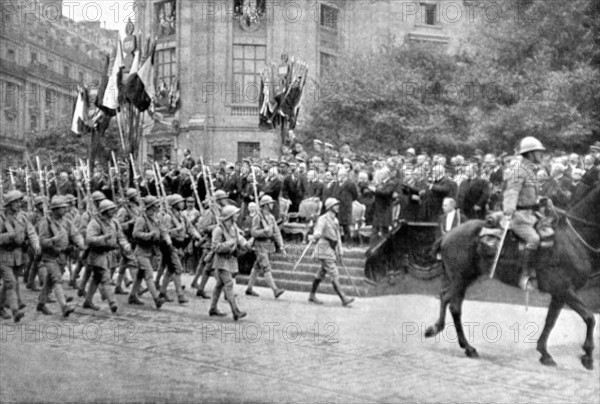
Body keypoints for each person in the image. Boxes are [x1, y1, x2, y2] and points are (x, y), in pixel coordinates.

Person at [503, 136, 546, 290]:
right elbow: (512, 191)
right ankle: (524, 276)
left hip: (532, 215)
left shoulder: (530, 170)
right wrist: (509, 208)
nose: (542, 155)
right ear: (530, 154)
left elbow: (529, 194)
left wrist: (540, 199)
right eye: (539, 152)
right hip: (520, 217)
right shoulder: (518, 170)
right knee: (533, 239)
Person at [36, 196, 84, 317]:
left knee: (49, 282)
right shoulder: (45, 222)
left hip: (63, 256)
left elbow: (75, 234)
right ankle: (64, 307)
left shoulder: (66, 221)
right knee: (57, 279)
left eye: (65, 207)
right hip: (50, 256)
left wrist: (80, 243)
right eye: (62, 208)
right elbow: (42, 241)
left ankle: (41, 304)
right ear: (55, 209)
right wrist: (53, 239)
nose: (65, 209)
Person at [84, 199, 132, 313]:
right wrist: (103, 238)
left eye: (113, 209)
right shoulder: (94, 223)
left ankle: (87, 301)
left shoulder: (114, 222)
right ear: (104, 211)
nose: (113, 211)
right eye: (110, 209)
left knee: (96, 279)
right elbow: (89, 240)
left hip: (108, 254)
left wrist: (125, 245)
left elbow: (120, 236)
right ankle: (112, 303)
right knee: (105, 279)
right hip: (97, 255)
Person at [0, 191, 40, 322]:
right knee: (11, 282)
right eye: (15, 202)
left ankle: (0, 306)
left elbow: (31, 231)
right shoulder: (1, 218)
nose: (18, 204)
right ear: (9, 204)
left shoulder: (23, 216)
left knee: (8, 283)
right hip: (3, 255)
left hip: (18, 256)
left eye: (19, 201)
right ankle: (15, 311)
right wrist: (8, 236)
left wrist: (35, 243)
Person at [308, 198, 355, 307]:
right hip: (324, 246)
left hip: (332, 246)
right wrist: (315, 235)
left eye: (338, 204)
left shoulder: (335, 220)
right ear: (329, 207)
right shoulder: (323, 219)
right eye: (335, 205)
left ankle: (312, 295)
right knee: (333, 272)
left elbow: (338, 237)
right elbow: (318, 231)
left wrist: (340, 250)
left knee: (322, 272)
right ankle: (343, 298)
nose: (338, 206)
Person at [210, 205, 251, 321]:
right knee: (229, 284)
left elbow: (240, 239)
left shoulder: (233, 227)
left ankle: (213, 308)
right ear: (230, 217)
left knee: (219, 285)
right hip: (221, 260)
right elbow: (215, 247)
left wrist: (246, 244)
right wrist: (229, 244)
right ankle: (235, 311)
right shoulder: (218, 230)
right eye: (235, 214)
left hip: (231, 260)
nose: (237, 216)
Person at [130, 196, 167, 309]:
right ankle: (156, 299)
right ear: (150, 206)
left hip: (150, 251)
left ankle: (132, 296)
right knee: (149, 275)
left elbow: (161, 231)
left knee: (139, 276)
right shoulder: (141, 219)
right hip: (141, 252)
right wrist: (149, 235)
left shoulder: (155, 219)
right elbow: (135, 234)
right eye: (155, 205)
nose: (157, 207)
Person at [245, 195, 286, 299]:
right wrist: (264, 231)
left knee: (257, 266)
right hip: (259, 244)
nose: (272, 205)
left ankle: (249, 288)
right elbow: (253, 232)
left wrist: (281, 246)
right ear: (265, 205)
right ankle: (275, 290)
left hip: (267, 244)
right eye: (270, 203)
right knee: (266, 266)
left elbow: (276, 232)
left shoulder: (271, 217)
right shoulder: (257, 217)